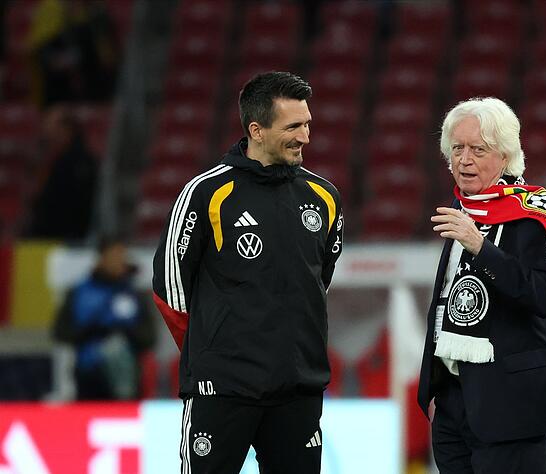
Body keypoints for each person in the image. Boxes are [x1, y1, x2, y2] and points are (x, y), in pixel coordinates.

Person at [151, 71, 343, 473]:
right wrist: (213, 353)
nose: (306, 136)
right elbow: (170, 289)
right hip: (223, 388)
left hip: (298, 388)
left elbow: (317, 281)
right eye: (293, 127)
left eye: (307, 124)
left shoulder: (325, 197)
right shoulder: (206, 193)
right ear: (256, 130)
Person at [417, 97, 546, 473]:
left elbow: (545, 298)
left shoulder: (534, 214)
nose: (464, 160)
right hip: (454, 403)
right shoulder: (463, 208)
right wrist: (438, 387)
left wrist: (481, 248)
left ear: (505, 156)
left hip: (511, 405)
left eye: (478, 149)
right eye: (457, 148)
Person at [53, 235, 156, 400]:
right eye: (113, 255)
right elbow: (61, 332)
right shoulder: (80, 293)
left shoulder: (134, 294)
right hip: (88, 379)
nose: (118, 261)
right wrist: (94, 330)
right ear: (101, 258)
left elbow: (149, 338)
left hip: (128, 380)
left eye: (121, 256)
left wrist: (124, 331)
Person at [27, 104, 98, 240]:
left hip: (66, 239)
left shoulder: (80, 162)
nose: (48, 134)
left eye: (52, 128)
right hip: (49, 238)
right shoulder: (55, 157)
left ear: (66, 129)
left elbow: (77, 206)